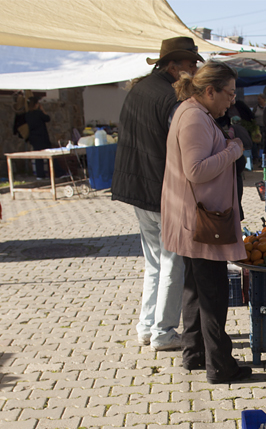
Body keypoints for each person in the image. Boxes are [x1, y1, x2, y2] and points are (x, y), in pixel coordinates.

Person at [160, 61, 252, 384]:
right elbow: (196, 170)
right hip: (200, 222)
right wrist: (233, 150)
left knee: (196, 290)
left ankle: (195, 353)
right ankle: (220, 366)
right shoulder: (194, 118)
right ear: (209, 91)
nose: (231, 101)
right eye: (227, 94)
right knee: (212, 294)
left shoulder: (194, 112)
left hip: (194, 218)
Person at [113, 36, 202, 351]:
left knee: (155, 261)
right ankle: (163, 332)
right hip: (159, 189)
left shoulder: (139, 89)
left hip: (138, 188)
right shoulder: (168, 96)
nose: (194, 69)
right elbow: (181, 145)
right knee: (171, 261)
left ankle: (147, 327)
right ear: (174, 65)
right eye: (191, 64)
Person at [24, 97, 53, 178]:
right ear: (36, 104)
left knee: (38, 156)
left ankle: (40, 175)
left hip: (33, 137)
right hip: (42, 137)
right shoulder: (39, 113)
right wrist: (42, 110)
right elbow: (47, 118)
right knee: (49, 154)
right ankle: (54, 172)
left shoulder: (28, 115)